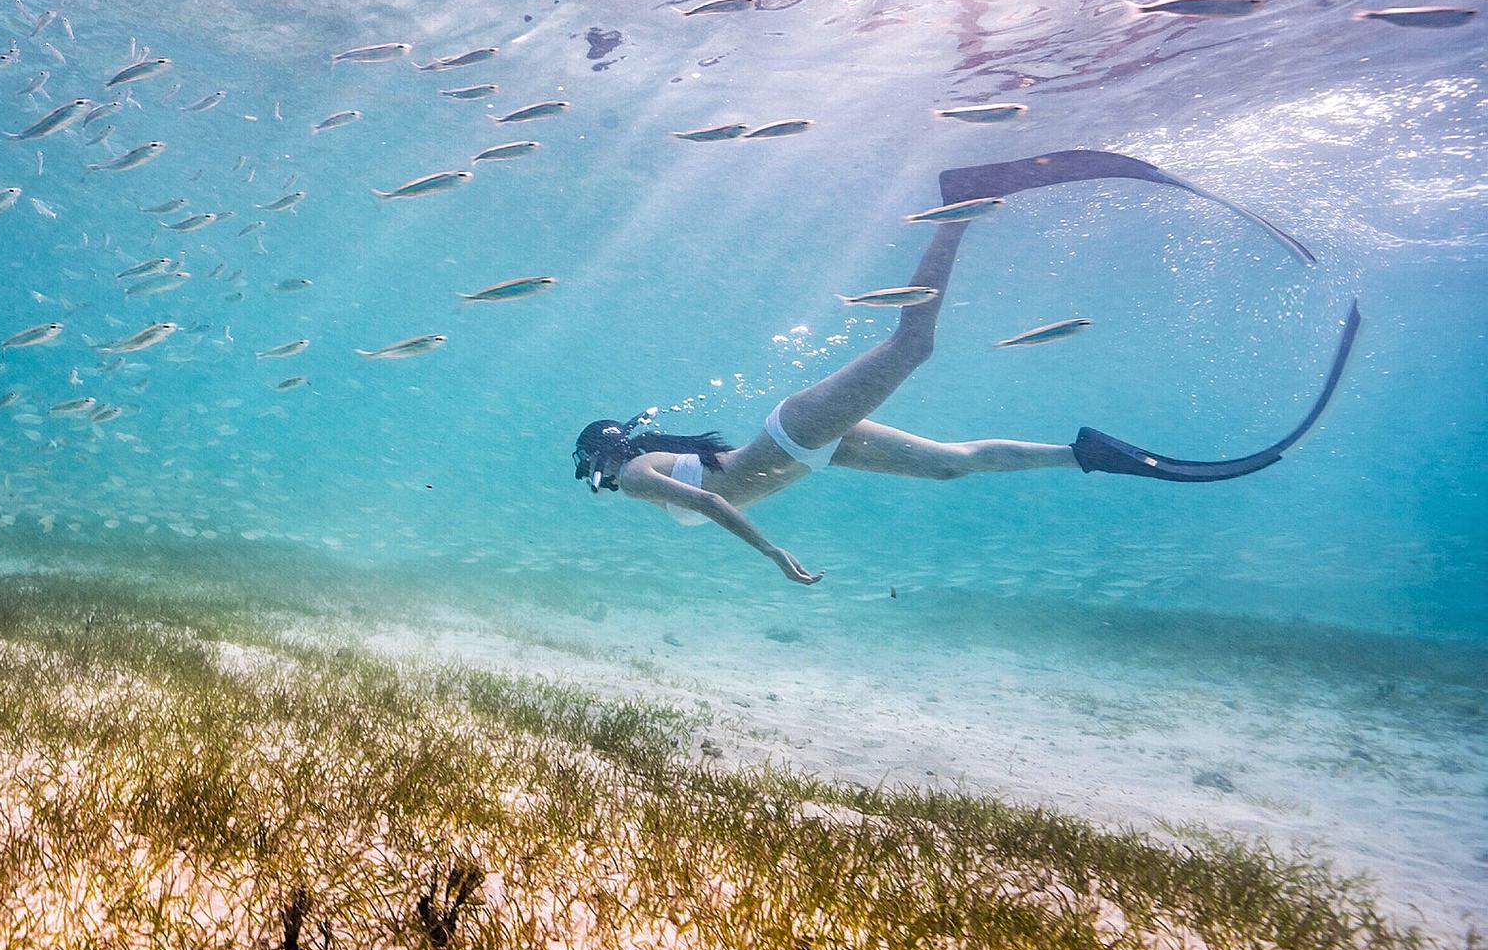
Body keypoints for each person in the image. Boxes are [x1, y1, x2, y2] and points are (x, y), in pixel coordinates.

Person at [571, 150, 1359, 585]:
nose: (594, 480)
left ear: (603, 453)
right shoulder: (644, 462)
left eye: (589, 466)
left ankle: (960, 201)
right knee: (952, 469)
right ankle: (1091, 454)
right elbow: (715, 492)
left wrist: (774, 554)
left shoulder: (636, 473)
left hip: (795, 434)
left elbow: (711, 507)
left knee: (913, 343)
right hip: (812, 451)